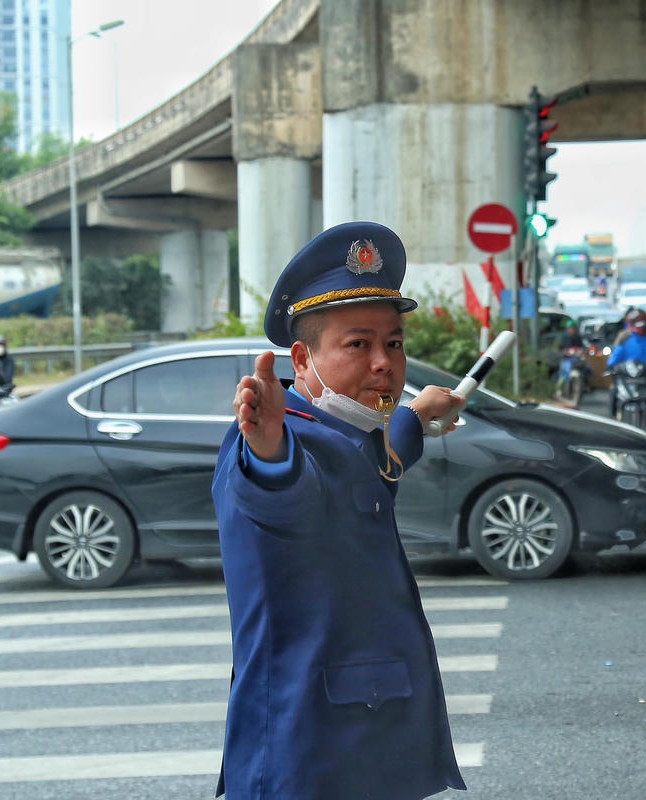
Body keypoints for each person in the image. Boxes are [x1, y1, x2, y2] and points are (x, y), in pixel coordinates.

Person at [213, 222, 469, 800]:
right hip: (310, 753)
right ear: (301, 359)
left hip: (369, 746)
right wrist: (269, 449)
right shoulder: (281, 441)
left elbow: (378, 468)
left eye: (395, 344)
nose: (384, 364)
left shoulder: (352, 433)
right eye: (358, 345)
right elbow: (284, 495)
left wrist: (417, 414)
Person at [606, 310, 646, 416]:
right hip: (626, 377)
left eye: (643, 321)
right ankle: (613, 415)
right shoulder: (624, 339)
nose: (641, 324)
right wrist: (611, 367)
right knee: (614, 389)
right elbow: (614, 358)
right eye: (638, 321)